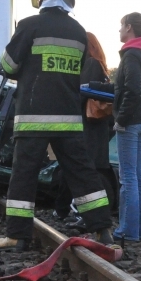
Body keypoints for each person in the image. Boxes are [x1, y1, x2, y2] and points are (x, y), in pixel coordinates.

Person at [0, 0, 116, 252]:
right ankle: (103, 230)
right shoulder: (79, 32)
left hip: (32, 118)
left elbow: (9, 66)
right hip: (69, 119)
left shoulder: (29, 25)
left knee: (23, 175)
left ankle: (17, 237)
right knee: (82, 175)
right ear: (70, 0)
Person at [53, 32, 113, 222]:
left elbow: (80, 94)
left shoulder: (90, 65)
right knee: (78, 169)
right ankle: (64, 209)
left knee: (78, 169)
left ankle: (73, 211)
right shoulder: (99, 66)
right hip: (94, 128)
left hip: (88, 127)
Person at [104, 12, 141, 242]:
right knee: (139, 176)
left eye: (121, 25)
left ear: (130, 27)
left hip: (131, 121)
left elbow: (132, 90)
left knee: (128, 178)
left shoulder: (132, 54)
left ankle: (128, 231)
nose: (119, 30)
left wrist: (120, 119)